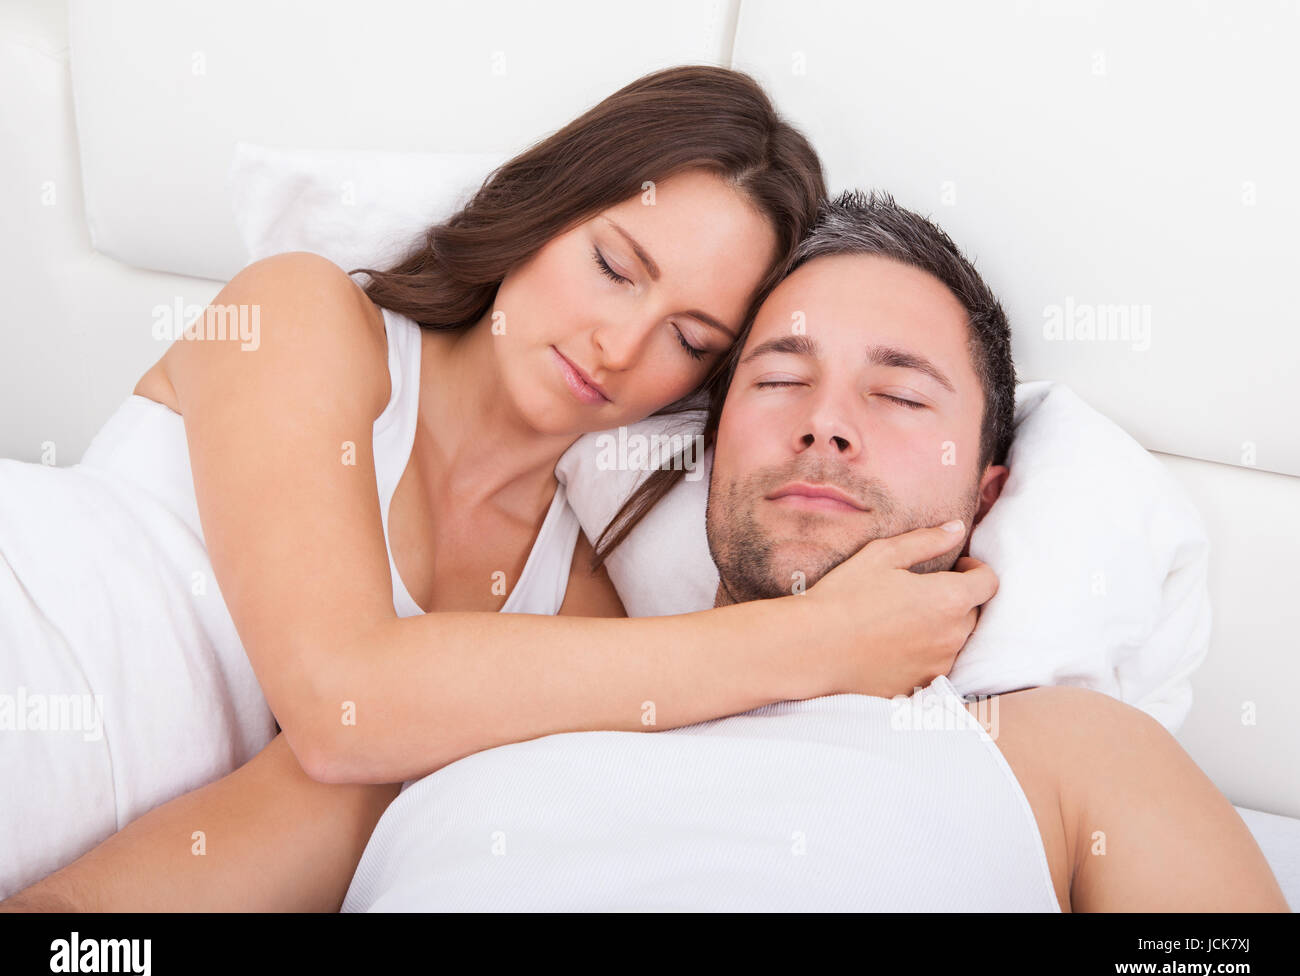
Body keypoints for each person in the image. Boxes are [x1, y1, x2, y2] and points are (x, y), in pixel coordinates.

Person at [6, 190, 1282, 911]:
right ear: (709, 450)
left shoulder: (1061, 749)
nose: (826, 421)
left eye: (899, 394)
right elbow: (83, 935)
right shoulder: (493, 704)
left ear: (989, 488)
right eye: (776, 378)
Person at [0, 68, 996, 900]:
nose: (619, 345)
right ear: (545, 207)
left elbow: (324, 790)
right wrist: (812, 641)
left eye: (691, 339)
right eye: (614, 267)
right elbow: (341, 697)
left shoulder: (574, 612)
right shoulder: (302, 316)